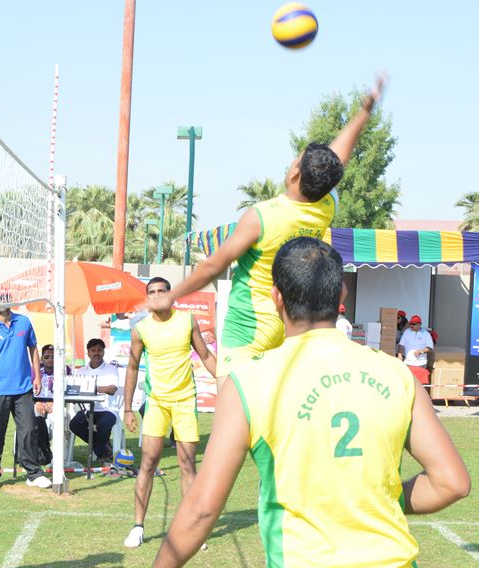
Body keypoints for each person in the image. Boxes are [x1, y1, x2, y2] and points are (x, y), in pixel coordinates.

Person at [141, 238, 470, 568]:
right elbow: (451, 482)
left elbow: (203, 508)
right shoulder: (397, 374)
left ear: (276, 297)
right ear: (341, 292)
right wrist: (383, 497)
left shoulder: (249, 382)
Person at [157, 76, 385, 380]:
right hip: (290, 322)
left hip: (249, 327)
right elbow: (338, 157)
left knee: (234, 414)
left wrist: (172, 296)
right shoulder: (326, 205)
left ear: (294, 172)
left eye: (297, 159)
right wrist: (364, 112)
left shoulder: (261, 217)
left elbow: (213, 265)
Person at [123, 277, 217, 549]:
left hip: (185, 401)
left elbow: (207, 356)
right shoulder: (140, 329)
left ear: (170, 295)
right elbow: (131, 368)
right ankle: (138, 527)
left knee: (188, 465)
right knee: (148, 464)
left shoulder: (187, 321)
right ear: (148, 297)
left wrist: (227, 383)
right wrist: (128, 408)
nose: (156, 295)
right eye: (151, 292)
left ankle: (191, 531)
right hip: (156, 404)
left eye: (161, 291)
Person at [0, 296, 51, 490]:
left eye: (7, 302)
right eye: (1, 303)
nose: (5, 306)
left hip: (23, 389)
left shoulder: (23, 322)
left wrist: (37, 378)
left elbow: (33, 348)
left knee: (29, 431)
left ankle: (33, 473)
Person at [69, 338, 119, 464]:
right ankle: (103, 450)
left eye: (99, 350)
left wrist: (90, 388)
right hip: (86, 409)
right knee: (74, 424)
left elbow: (112, 389)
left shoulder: (111, 369)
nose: (96, 353)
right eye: (93, 350)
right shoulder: (80, 371)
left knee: (104, 424)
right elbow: (75, 391)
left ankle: (100, 450)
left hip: (107, 409)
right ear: (88, 353)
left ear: (103, 352)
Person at [398, 315, 434, 386]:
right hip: (407, 362)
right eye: (410, 323)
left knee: (418, 384)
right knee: (407, 382)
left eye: (413, 324)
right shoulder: (406, 332)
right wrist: (400, 354)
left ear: (419, 324)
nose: (411, 325)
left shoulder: (426, 334)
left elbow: (430, 347)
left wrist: (421, 351)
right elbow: (401, 345)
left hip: (420, 363)